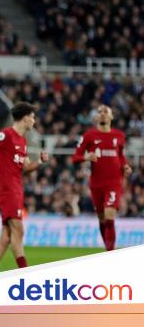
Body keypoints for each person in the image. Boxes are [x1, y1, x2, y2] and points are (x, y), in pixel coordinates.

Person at [0, 102, 47, 274]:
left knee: (6, 238)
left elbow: (26, 167)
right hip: (7, 191)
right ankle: (25, 274)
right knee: (18, 231)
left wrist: (40, 162)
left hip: (17, 190)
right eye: (33, 117)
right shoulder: (5, 134)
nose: (34, 121)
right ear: (26, 118)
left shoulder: (22, 140)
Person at [72, 104, 131, 251]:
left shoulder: (119, 136)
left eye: (106, 112)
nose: (103, 114)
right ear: (96, 117)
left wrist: (125, 166)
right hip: (96, 183)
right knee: (102, 218)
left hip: (114, 182)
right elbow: (75, 157)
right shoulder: (88, 136)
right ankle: (108, 248)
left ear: (111, 116)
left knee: (109, 216)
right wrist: (86, 156)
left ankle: (110, 253)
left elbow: (121, 156)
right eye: (100, 112)